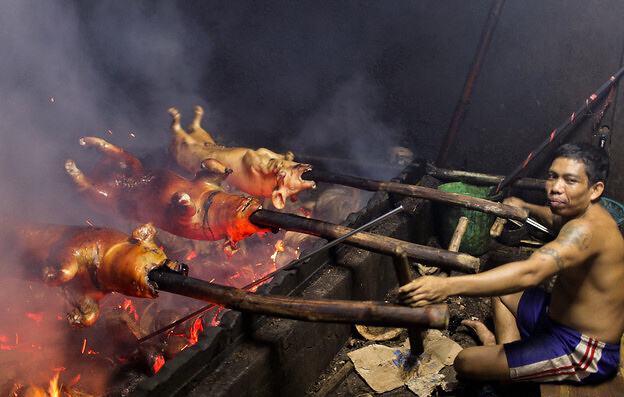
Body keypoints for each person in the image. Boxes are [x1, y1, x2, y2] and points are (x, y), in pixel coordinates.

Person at [399, 143, 623, 383]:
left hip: (583, 350)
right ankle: (511, 364)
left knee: (464, 362)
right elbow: (555, 219)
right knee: (504, 294)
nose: (556, 188)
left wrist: (445, 286)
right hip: (556, 318)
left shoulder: (586, 232)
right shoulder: (584, 212)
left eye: (570, 181)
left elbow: (530, 272)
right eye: (552, 177)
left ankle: (505, 366)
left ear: (595, 189)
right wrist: (525, 206)